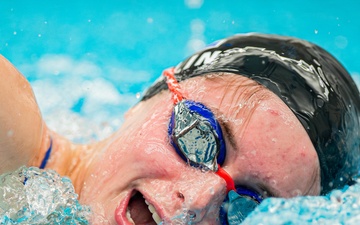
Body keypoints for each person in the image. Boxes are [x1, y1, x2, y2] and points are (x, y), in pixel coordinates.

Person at [0, 33, 359, 224]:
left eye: (245, 207)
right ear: (151, 95)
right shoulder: (11, 135)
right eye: (198, 138)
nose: (199, 200)